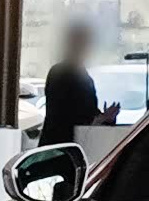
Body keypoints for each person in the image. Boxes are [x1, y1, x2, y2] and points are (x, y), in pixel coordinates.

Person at [37, 18, 109, 147]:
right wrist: (99, 119)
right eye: (86, 43)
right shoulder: (63, 73)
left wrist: (103, 118)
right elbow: (70, 114)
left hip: (66, 144)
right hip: (63, 144)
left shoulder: (79, 75)